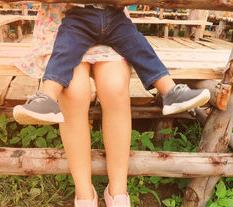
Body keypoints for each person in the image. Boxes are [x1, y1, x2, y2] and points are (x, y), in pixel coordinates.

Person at [15, 4, 133, 207]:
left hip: (109, 25)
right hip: (61, 26)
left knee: (115, 87)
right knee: (74, 91)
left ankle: (118, 194)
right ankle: (84, 197)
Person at [13, 4, 210, 125]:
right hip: (78, 16)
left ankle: (171, 92)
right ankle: (47, 98)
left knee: (139, 45)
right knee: (64, 49)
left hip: (115, 15)